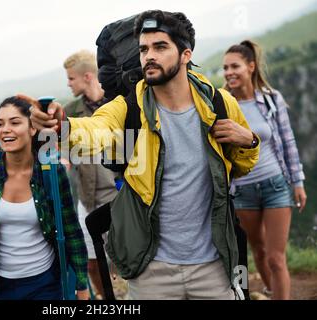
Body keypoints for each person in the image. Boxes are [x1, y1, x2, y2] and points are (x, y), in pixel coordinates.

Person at [22, 10, 260, 300]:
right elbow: (96, 132)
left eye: (160, 47)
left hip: (214, 266)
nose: (149, 56)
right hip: (151, 270)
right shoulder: (128, 108)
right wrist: (62, 128)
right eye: (144, 49)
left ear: (186, 54)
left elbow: (242, 166)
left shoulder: (220, 103)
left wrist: (249, 140)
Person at [0, 96, 89, 300]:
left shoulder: (51, 171)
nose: (5, 129)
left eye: (15, 122)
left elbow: (70, 229)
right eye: (0, 124)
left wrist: (81, 284)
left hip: (45, 285)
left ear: (32, 128)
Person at [223, 40, 307, 300]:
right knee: (258, 251)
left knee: (275, 258)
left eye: (235, 66)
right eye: (225, 68)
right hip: (242, 190)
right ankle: (272, 292)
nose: (228, 72)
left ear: (251, 66)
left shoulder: (271, 100)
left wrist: (298, 181)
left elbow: (288, 140)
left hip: (276, 184)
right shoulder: (222, 104)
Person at [62, 50, 118, 299]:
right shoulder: (70, 110)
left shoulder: (116, 103)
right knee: (92, 261)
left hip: (117, 193)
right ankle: (107, 298)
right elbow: (62, 147)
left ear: (87, 76)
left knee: (126, 254)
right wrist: (62, 161)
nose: (68, 83)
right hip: (86, 198)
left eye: (71, 78)